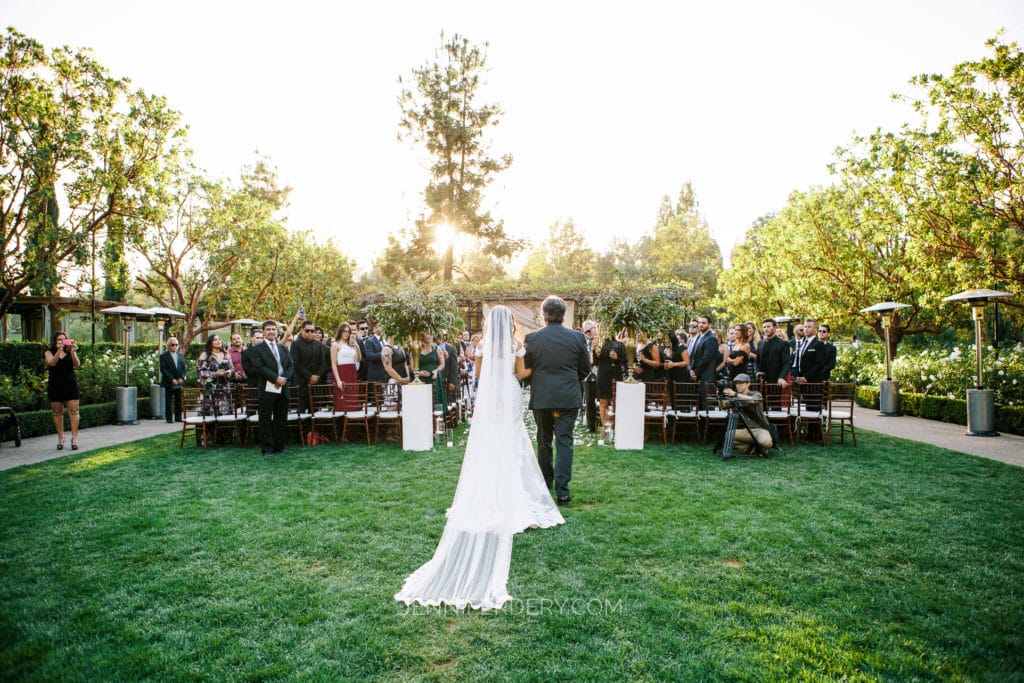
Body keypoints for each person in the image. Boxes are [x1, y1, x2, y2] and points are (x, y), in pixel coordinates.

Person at [395, 306, 564, 610]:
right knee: (513, 441)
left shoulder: (482, 346)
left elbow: (482, 374)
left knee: (492, 440)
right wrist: (529, 368)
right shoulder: (515, 345)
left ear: (490, 324)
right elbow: (522, 373)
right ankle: (517, 498)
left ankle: (490, 492)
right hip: (510, 393)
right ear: (509, 323)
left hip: (490, 396)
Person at [524, 295, 592, 505]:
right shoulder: (577, 338)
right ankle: (562, 490)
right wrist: (570, 381)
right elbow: (585, 369)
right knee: (565, 441)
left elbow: (527, 369)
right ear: (564, 315)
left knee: (544, 441)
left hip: (543, 397)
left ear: (543, 315)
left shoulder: (532, 338)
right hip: (567, 397)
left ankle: (545, 483)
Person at [249, 320, 295, 456]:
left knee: (281, 419)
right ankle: (267, 448)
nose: (271, 332)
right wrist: (276, 378)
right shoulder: (257, 349)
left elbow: (290, 365)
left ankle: (279, 446)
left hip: (283, 388)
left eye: (273, 329)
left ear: (277, 331)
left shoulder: (283, 348)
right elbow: (259, 367)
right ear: (263, 332)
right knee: (265, 419)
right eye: (268, 329)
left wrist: (283, 379)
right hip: (267, 389)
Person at [720, 373, 775, 455]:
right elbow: (723, 406)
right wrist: (720, 396)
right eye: (737, 384)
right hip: (746, 430)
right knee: (728, 435)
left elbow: (754, 400)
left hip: (760, 429)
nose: (738, 386)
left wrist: (736, 394)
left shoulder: (756, 394)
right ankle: (751, 448)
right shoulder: (735, 398)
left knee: (766, 442)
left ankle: (759, 446)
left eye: (741, 383)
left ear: (748, 384)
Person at [45, 331, 81, 450]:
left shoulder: (70, 351)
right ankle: (61, 438)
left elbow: (77, 364)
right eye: (59, 339)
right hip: (55, 386)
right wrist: (59, 351)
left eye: (63, 339)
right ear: (55, 341)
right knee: (57, 412)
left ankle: (74, 438)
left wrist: (73, 351)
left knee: (74, 411)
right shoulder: (49, 352)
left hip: (70, 385)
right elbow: (52, 363)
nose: (61, 341)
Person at [291, 319, 329, 413]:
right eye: (307, 330)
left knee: (315, 410)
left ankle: (314, 428)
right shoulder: (295, 344)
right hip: (301, 382)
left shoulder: (319, 345)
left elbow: (322, 364)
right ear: (301, 330)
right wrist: (310, 376)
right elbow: (296, 364)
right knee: (301, 410)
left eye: (312, 330)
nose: (310, 333)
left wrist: (316, 376)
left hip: (316, 382)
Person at [594, 329, 627, 429]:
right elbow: (595, 363)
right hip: (603, 375)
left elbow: (625, 362)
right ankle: (605, 428)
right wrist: (593, 350)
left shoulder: (620, 345)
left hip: (616, 375)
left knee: (615, 401)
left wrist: (617, 358)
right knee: (603, 401)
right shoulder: (600, 344)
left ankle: (617, 426)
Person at [197, 334, 233, 419]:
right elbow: (200, 372)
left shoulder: (226, 355)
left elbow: (232, 368)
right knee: (209, 415)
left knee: (224, 415)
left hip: (223, 388)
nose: (218, 341)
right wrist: (214, 374)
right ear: (210, 343)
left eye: (219, 339)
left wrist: (229, 371)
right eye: (215, 340)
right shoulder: (205, 355)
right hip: (209, 389)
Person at [331, 322, 362, 411]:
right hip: (342, 373)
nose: (346, 333)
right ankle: (342, 422)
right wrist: (338, 380)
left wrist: (357, 347)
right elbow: (333, 364)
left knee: (353, 399)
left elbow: (358, 359)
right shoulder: (335, 345)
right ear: (340, 332)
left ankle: (352, 422)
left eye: (348, 331)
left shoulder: (351, 345)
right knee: (343, 400)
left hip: (352, 373)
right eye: (344, 331)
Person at [159, 337, 187, 423]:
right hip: (169, 382)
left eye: (176, 345)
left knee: (179, 401)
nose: (175, 346)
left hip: (179, 382)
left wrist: (181, 378)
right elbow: (163, 370)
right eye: (172, 345)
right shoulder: (163, 356)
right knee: (169, 401)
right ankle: (169, 418)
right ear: (168, 346)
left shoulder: (180, 356)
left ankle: (178, 417)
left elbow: (183, 369)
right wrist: (172, 379)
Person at [758, 318, 792, 384]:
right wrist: (758, 371)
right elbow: (757, 361)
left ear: (774, 328)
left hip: (777, 380)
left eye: (768, 326)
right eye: (764, 327)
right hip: (762, 381)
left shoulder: (783, 343)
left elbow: (787, 363)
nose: (766, 329)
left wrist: (782, 377)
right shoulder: (760, 343)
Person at [581, 320, 599, 432]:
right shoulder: (583, 342)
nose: (588, 333)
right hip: (588, 374)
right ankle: (591, 425)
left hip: (600, 372)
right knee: (589, 400)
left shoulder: (600, 341)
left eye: (590, 330)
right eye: (586, 331)